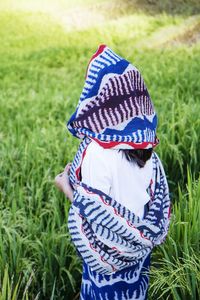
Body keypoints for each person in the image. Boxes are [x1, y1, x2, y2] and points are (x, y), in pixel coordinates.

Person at [55, 45, 170, 300]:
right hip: (140, 248)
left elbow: (96, 214)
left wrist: (67, 188)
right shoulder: (146, 145)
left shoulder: (98, 152)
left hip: (109, 250)